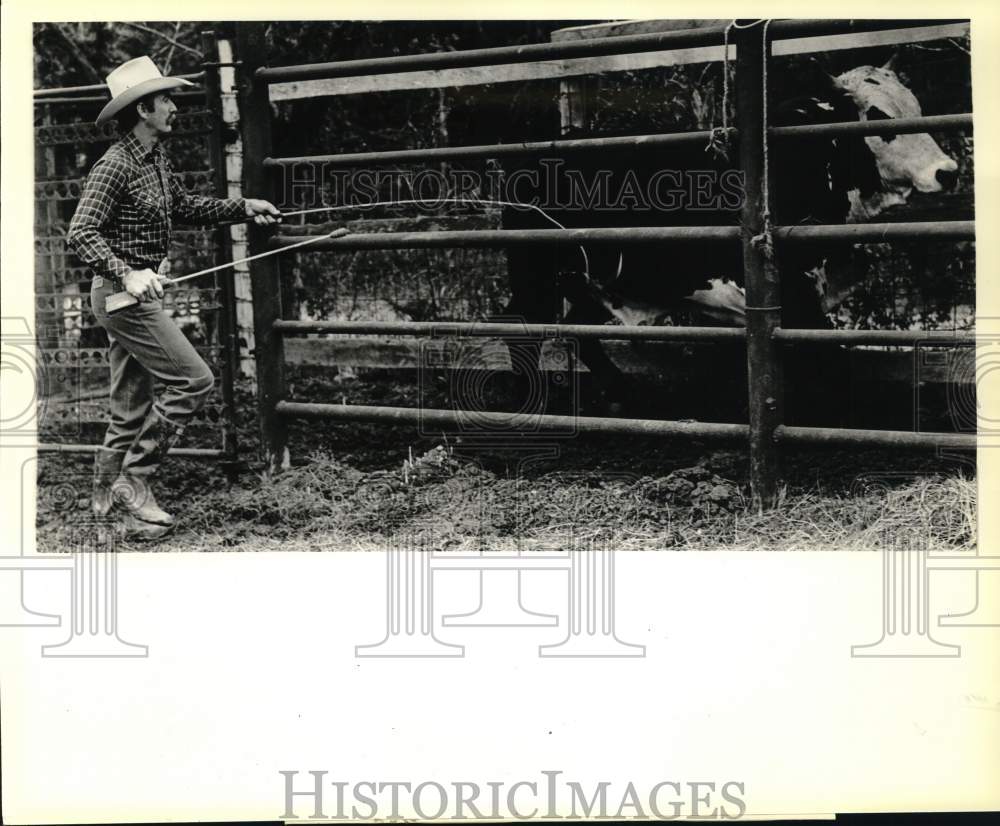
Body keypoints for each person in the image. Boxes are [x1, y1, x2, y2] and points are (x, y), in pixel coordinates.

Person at [68, 56, 281, 540]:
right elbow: (80, 233)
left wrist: (244, 207)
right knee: (194, 380)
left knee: (129, 408)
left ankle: (105, 512)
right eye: (165, 99)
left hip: (132, 296)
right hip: (121, 297)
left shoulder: (155, 159)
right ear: (143, 109)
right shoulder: (114, 166)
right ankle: (135, 482)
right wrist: (127, 273)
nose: (174, 107)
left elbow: (185, 206)